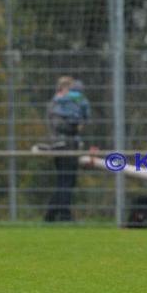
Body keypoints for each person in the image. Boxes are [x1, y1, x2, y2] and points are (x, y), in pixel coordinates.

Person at [44, 76, 90, 222]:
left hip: (67, 145)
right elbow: (60, 126)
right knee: (66, 181)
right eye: (69, 89)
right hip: (65, 146)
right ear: (63, 88)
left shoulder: (60, 104)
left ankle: (51, 215)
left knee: (65, 181)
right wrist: (76, 126)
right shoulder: (58, 104)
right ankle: (63, 215)